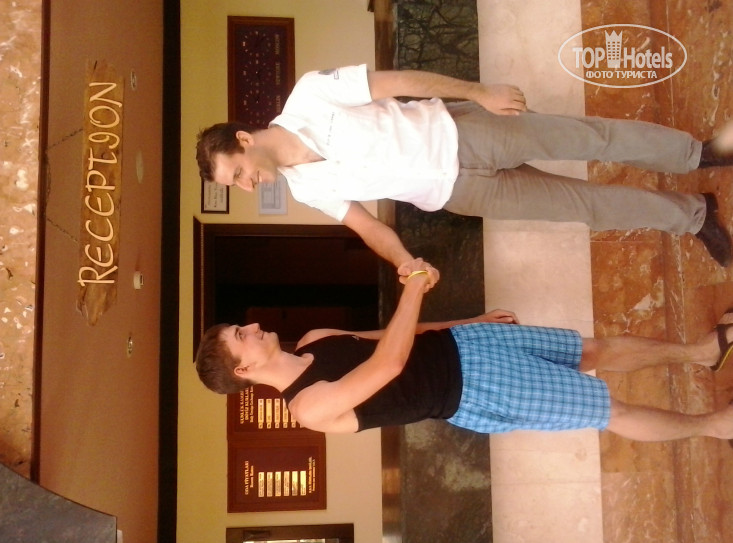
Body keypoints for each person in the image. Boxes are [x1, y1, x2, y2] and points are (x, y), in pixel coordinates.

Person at [196, 64, 733, 280]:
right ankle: (693, 216)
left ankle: (698, 154)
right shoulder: (304, 188)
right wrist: (404, 261)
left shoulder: (310, 95)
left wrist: (480, 92)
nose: (246, 186)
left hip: (467, 132)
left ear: (244, 140)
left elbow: (398, 81)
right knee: (586, 207)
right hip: (460, 191)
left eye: (238, 174)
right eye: (235, 186)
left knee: (591, 139)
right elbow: (365, 225)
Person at [195, 259, 733, 442]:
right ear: (244, 369)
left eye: (242, 325)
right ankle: (717, 426)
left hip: (468, 344)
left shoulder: (315, 340)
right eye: (242, 335)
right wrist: (412, 287)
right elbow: (390, 364)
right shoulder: (307, 408)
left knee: (593, 350)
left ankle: (703, 351)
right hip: (474, 390)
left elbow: (398, 335)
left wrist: (468, 322)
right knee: (608, 410)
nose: (254, 326)